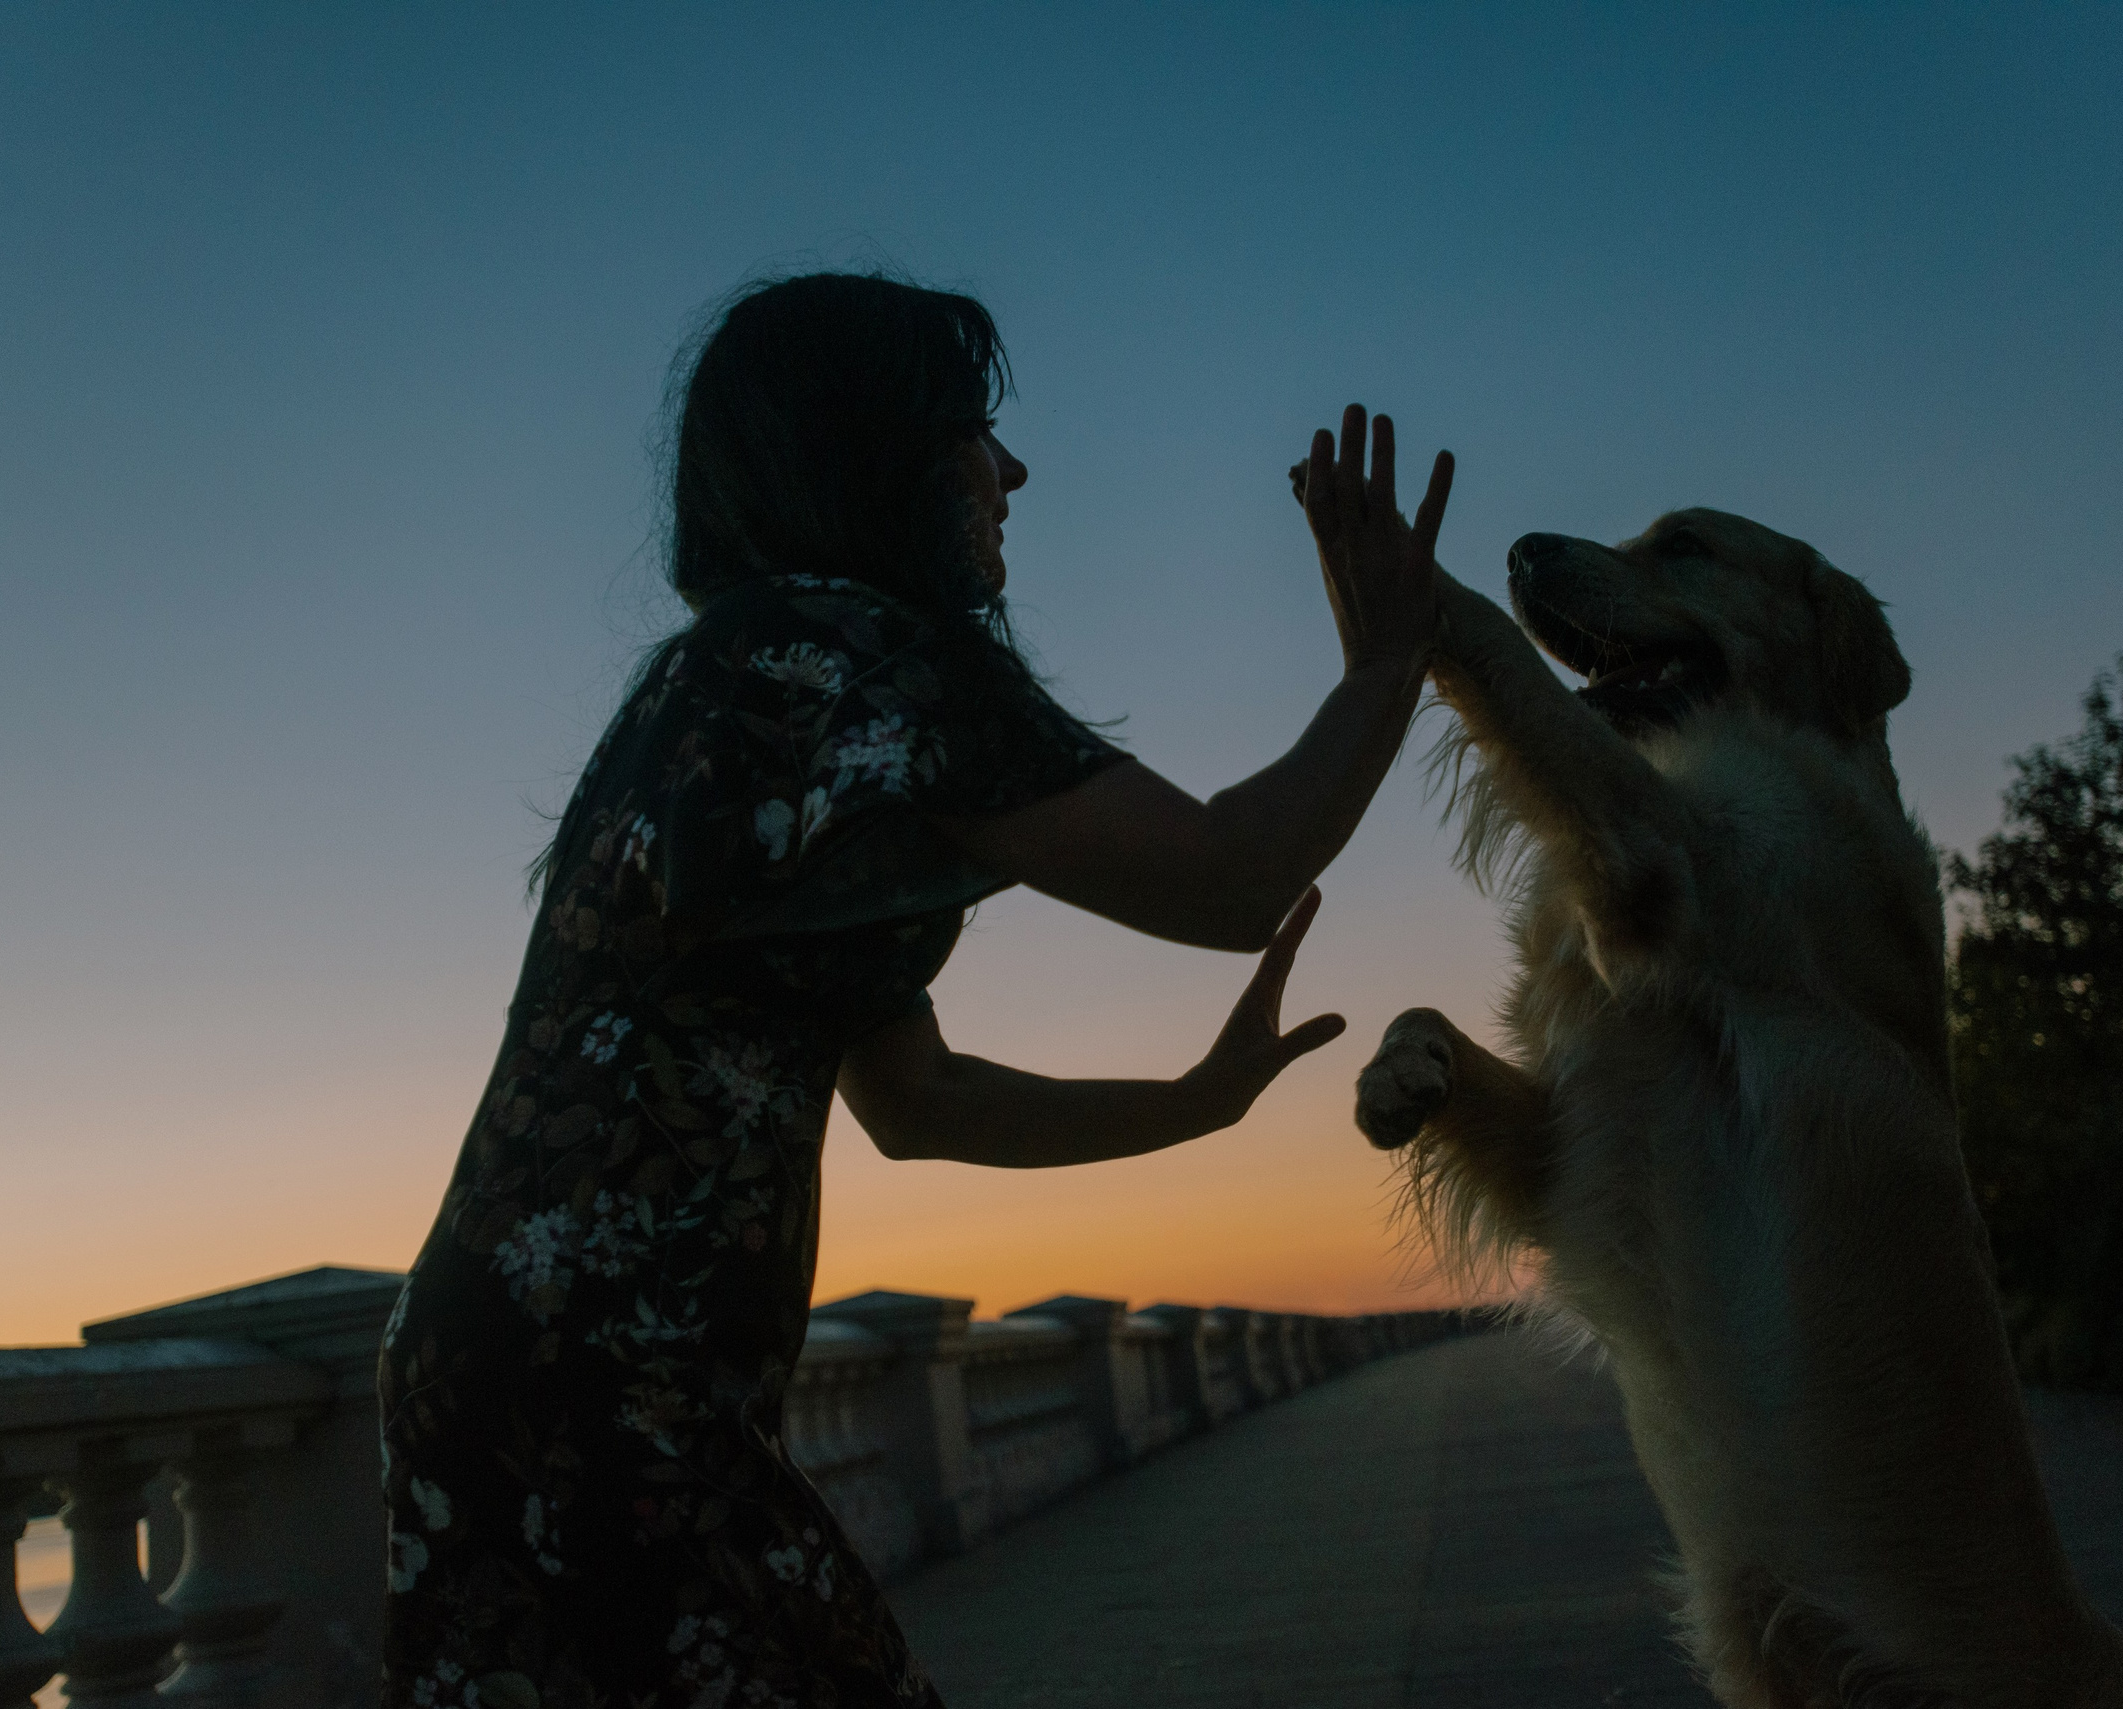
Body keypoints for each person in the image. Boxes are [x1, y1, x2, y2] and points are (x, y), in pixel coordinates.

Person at [378, 271, 1453, 1709]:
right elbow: (1229, 878)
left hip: (492, 1365)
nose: (1012, 471)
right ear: (876, 451)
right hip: (616, 1393)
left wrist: (1196, 1102)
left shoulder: (720, 682)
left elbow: (917, 1098)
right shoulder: (870, 662)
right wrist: (1391, 658)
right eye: (972, 429)